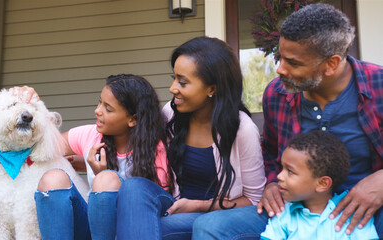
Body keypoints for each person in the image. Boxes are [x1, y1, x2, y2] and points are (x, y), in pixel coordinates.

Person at [192, 3, 383, 239]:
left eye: (293, 62)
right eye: (280, 57)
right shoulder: (276, 94)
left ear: (331, 64)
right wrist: (273, 183)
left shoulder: (379, 85)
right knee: (209, 227)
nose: (280, 69)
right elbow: (271, 153)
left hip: (370, 208)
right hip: (295, 209)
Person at [113, 36, 266, 240]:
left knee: (159, 228)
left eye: (183, 82)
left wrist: (197, 205)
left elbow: (254, 199)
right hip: (177, 204)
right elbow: (133, 134)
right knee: (134, 187)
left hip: (222, 215)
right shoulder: (172, 114)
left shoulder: (242, 129)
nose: (173, 88)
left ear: (212, 88)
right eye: (174, 78)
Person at [13, 74, 174, 240]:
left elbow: (156, 203)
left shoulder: (155, 148)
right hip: (94, 228)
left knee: (106, 179)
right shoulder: (89, 135)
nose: (97, 111)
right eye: (100, 102)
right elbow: (41, 147)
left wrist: (102, 175)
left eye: (108, 109)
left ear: (133, 119)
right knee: (53, 178)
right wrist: (30, 103)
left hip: (132, 229)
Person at [260, 131, 378, 239]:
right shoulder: (283, 215)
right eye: (282, 168)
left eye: (290, 171)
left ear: (322, 183)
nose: (279, 176)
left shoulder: (353, 215)